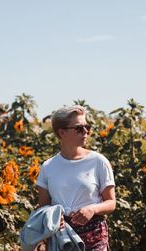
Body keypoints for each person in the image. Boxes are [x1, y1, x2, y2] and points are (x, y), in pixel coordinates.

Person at [36, 105, 116, 251]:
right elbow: (43, 207)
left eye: (87, 127)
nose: (86, 132)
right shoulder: (48, 167)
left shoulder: (99, 161)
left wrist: (92, 209)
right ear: (62, 132)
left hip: (95, 236)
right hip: (61, 239)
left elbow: (111, 203)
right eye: (79, 128)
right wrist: (53, 217)